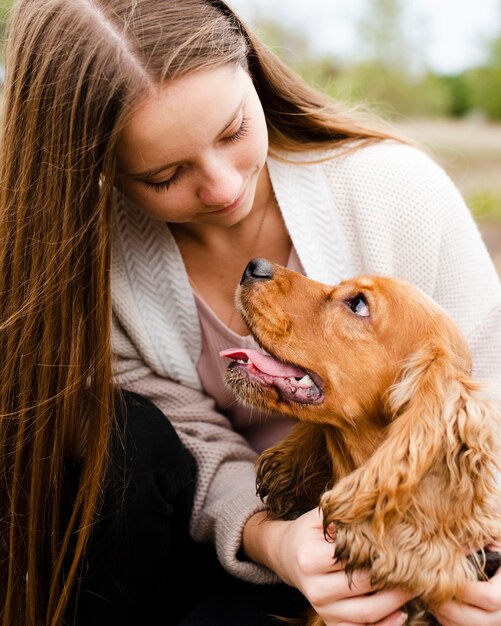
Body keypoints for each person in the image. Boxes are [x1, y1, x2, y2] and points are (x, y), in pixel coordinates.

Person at [0, 0, 500, 625]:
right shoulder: (93, 265)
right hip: (217, 543)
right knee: (123, 432)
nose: (225, 188)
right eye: (164, 175)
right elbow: (182, 444)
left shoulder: (396, 191)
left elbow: (487, 392)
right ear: (100, 170)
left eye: (233, 131)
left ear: (253, 72)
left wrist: (481, 569)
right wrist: (277, 541)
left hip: (425, 533)